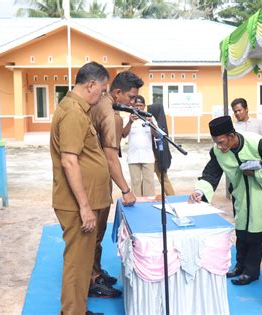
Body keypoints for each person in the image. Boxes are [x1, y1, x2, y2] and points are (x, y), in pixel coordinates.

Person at [189, 116, 262, 285]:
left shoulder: (256, 143)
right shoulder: (218, 150)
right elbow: (211, 172)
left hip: (260, 193)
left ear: (232, 135)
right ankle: (239, 266)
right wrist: (199, 191)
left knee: (256, 232)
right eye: (216, 142)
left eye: (221, 142)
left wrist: (257, 173)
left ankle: (251, 272)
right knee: (241, 230)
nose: (219, 146)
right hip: (240, 193)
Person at [49, 62, 110, 315]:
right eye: (103, 89)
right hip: (77, 205)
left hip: (84, 200)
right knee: (77, 263)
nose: (104, 95)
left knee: (83, 263)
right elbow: (69, 160)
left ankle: (78, 309)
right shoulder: (73, 112)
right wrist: (85, 208)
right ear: (91, 85)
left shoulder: (76, 109)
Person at [88, 71, 143, 298]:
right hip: (96, 179)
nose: (133, 102)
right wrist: (126, 190)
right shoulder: (110, 114)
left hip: (92, 176)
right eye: (130, 98)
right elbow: (110, 157)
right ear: (117, 92)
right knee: (95, 234)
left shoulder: (101, 103)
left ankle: (96, 272)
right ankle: (91, 281)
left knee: (96, 234)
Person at [122, 95, 157, 196]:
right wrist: (130, 122)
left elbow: (156, 134)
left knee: (149, 182)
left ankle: (148, 205)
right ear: (132, 106)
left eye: (141, 105)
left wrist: (151, 123)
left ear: (144, 106)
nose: (138, 108)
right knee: (135, 183)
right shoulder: (127, 118)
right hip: (133, 157)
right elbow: (123, 134)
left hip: (148, 157)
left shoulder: (150, 117)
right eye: (136, 105)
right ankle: (137, 206)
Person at [147, 102, 176, 196]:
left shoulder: (157, 125)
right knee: (162, 178)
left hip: (157, 157)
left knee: (163, 178)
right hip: (155, 156)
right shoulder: (161, 122)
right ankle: (172, 196)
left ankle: (172, 196)